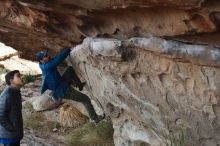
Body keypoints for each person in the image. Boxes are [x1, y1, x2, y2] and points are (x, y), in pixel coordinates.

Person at [36, 48, 104, 123]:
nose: (48, 56)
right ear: (41, 60)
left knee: (69, 70)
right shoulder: (46, 67)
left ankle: (79, 85)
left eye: (47, 55)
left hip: (62, 83)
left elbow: (55, 58)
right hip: (63, 90)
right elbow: (58, 59)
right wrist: (68, 49)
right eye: (45, 56)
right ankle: (95, 118)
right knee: (86, 99)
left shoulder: (44, 64)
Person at [0, 70, 23, 146]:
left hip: (15, 136)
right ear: (11, 81)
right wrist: (12, 128)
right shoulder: (7, 95)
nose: (21, 77)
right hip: (8, 137)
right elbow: (1, 115)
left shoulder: (16, 92)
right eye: (18, 76)